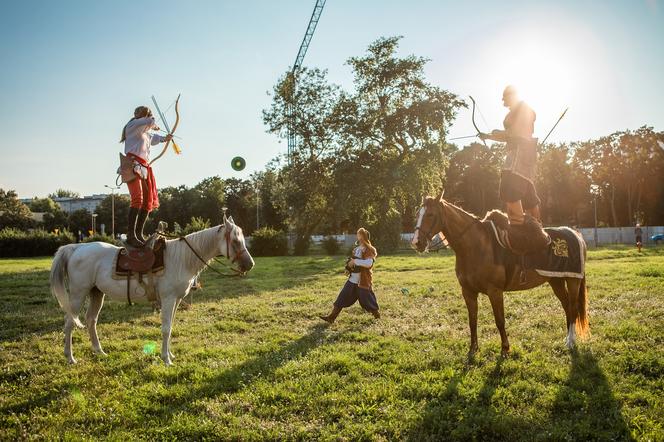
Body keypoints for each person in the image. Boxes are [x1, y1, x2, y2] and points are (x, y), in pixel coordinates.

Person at [480, 85, 549, 253]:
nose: (504, 101)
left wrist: (492, 134)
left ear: (513, 96)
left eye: (505, 97)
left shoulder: (524, 109)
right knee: (527, 194)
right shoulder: (518, 110)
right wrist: (491, 135)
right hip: (522, 157)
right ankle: (536, 230)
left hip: (518, 157)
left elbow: (515, 134)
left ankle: (521, 233)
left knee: (510, 192)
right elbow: (511, 135)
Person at [120, 106, 172, 247]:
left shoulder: (145, 133)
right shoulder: (132, 126)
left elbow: (156, 138)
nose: (146, 117)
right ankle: (131, 235)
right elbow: (150, 121)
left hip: (143, 167)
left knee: (146, 202)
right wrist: (153, 123)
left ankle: (138, 234)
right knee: (137, 199)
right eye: (144, 114)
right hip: (132, 165)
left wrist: (166, 138)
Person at [320, 228, 380, 323]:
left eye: (359, 234)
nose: (358, 236)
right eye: (358, 234)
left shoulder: (370, 249)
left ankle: (377, 317)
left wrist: (355, 261)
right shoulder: (356, 249)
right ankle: (331, 317)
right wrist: (348, 268)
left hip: (363, 281)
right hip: (352, 279)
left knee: (368, 301)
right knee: (342, 297)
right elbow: (352, 263)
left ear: (364, 236)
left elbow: (369, 263)